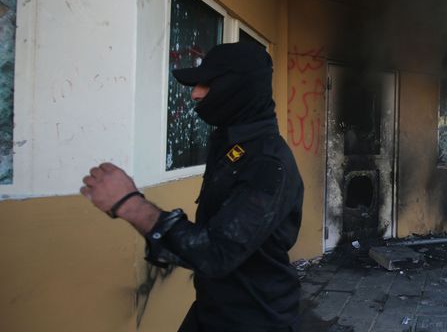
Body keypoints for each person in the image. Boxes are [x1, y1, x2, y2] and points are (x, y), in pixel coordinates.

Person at [79, 42, 305, 331]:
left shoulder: (267, 163)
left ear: (239, 87)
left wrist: (131, 204)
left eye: (206, 84)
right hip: (213, 310)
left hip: (255, 320)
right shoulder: (231, 145)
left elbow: (216, 252)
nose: (196, 93)